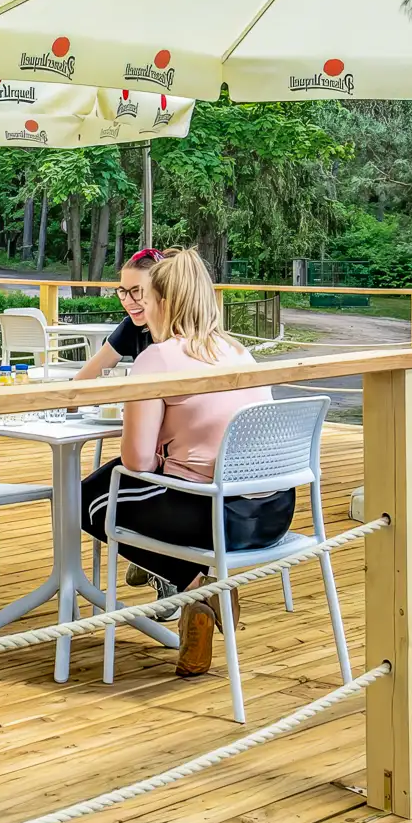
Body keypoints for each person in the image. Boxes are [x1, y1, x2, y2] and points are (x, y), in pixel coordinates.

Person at [80, 248, 296, 677]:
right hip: (273, 512)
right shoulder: (238, 351)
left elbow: (137, 461)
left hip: (215, 516)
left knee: (82, 500)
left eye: (146, 298)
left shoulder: (156, 359)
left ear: (163, 302)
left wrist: (163, 450)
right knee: (112, 487)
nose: (141, 308)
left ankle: (197, 588)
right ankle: (196, 594)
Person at [71, 248, 164, 379]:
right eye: (123, 292)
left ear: (162, 291)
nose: (128, 301)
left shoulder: (185, 332)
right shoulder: (131, 327)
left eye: (137, 291)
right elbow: (82, 380)